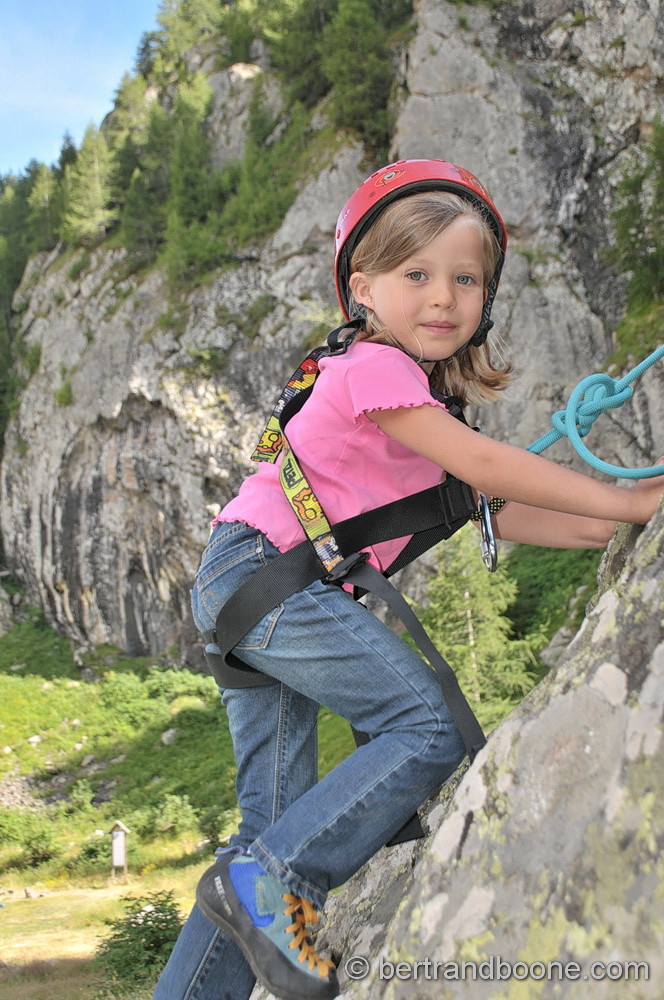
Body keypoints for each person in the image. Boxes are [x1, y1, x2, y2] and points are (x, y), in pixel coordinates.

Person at [153, 159, 664, 1000]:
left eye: (466, 279)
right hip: (274, 579)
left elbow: (500, 505)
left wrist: (626, 520)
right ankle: (279, 879)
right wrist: (632, 500)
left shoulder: (411, 410)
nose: (443, 298)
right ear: (363, 290)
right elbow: (484, 466)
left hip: (254, 584)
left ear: (485, 299)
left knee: (264, 832)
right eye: (416, 275)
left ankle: (227, 935)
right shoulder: (374, 368)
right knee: (424, 727)